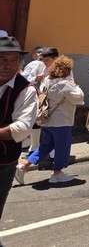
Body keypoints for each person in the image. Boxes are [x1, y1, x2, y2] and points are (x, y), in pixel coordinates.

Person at [16, 55, 84, 184]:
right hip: (61, 121)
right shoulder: (64, 84)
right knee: (62, 147)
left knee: (46, 146)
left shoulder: (47, 81)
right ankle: (57, 173)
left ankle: (23, 165)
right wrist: (76, 86)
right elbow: (79, 97)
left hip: (46, 120)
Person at [0, 36, 37, 217]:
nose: (9, 65)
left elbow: (21, 128)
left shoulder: (26, 89)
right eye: (3, 59)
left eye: (14, 59)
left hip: (3, 161)